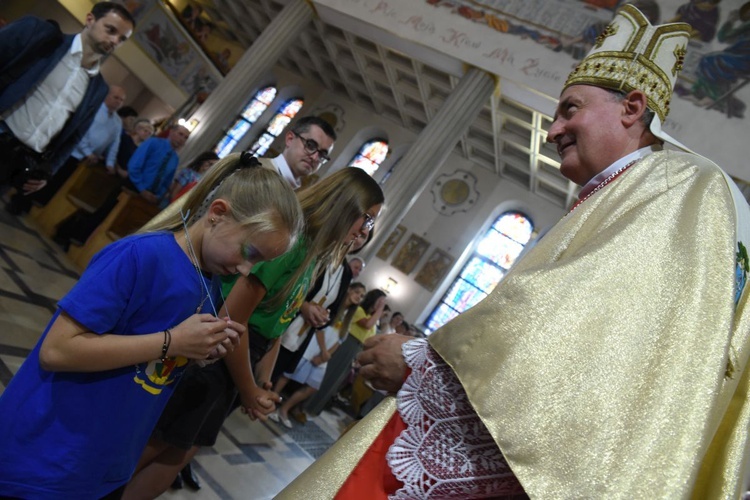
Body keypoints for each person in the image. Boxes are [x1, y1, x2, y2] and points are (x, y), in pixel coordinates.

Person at [279, 6, 750, 498]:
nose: (551, 132)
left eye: (570, 109)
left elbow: (589, 328)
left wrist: (425, 365)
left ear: (632, 108)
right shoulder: (644, 188)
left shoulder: (676, 184)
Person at [0, 151, 303, 498]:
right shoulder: (141, 256)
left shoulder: (212, 282)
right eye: (249, 252)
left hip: (103, 461)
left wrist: (199, 352)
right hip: (47, 452)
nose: (248, 270)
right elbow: (57, 350)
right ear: (218, 214)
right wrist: (171, 342)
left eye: (260, 262)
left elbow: (157, 361)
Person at [123, 166, 384, 498]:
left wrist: (263, 381)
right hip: (220, 353)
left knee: (181, 452)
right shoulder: (292, 243)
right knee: (158, 445)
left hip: (243, 358)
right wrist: (248, 388)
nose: (366, 230)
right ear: (345, 207)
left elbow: (278, 323)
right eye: (367, 218)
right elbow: (234, 316)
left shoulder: (313, 253)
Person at [0, 2, 135, 196]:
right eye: (110, 30)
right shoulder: (42, 36)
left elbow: (74, 136)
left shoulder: (98, 88)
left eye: (122, 39)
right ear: (90, 20)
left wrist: (49, 171)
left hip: (18, 162)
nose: (115, 40)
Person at [6, 85, 127, 215]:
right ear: (107, 95)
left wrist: (109, 162)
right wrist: (87, 151)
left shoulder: (117, 122)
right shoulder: (95, 108)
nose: (118, 102)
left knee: (55, 185)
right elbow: (82, 131)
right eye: (116, 97)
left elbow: (115, 143)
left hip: (84, 161)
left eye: (121, 100)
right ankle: (18, 201)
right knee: (42, 177)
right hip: (71, 151)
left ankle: (29, 205)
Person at [270, 282, 367, 428]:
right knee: (287, 375)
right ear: (349, 289)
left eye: (362, 296)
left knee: (313, 386)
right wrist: (323, 351)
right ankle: (271, 403)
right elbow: (319, 328)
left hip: (324, 355)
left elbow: (341, 339)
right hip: (312, 346)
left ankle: (284, 409)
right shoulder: (334, 306)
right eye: (357, 292)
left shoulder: (349, 317)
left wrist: (326, 356)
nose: (359, 297)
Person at [264, 115, 336, 189]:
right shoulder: (255, 172)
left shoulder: (300, 196)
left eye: (322, 154)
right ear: (290, 139)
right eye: (310, 145)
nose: (314, 158)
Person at [126, 124, 190, 205]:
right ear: (171, 132)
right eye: (180, 134)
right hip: (133, 187)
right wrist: (142, 189)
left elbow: (166, 182)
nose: (182, 139)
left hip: (150, 197)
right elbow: (134, 166)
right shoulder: (153, 143)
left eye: (185, 138)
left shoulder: (175, 159)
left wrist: (158, 196)